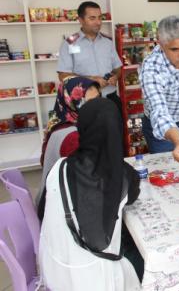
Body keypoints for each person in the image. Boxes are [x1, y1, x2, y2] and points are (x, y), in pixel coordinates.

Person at [39, 98, 141, 291]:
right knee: (141, 254)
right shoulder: (123, 176)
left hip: (55, 267)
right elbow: (133, 196)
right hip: (98, 279)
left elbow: (43, 210)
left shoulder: (59, 167)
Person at [36, 76, 101, 219]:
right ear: (71, 102)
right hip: (61, 216)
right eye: (87, 102)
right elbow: (91, 184)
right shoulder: (72, 137)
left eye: (98, 100)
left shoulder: (60, 124)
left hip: (55, 203)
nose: (97, 107)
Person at [140, 15, 179, 165]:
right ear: (161, 44)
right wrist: (178, 140)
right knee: (169, 174)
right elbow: (159, 112)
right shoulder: (151, 69)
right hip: (166, 132)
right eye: (175, 49)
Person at [56, 1, 123, 111]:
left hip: (111, 98)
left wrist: (115, 76)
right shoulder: (69, 43)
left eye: (99, 17)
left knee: (116, 128)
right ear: (81, 20)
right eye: (92, 18)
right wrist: (91, 80)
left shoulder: (108, 42)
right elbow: (63, 76)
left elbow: (117, 68)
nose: (98, 22)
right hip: (85, 101)